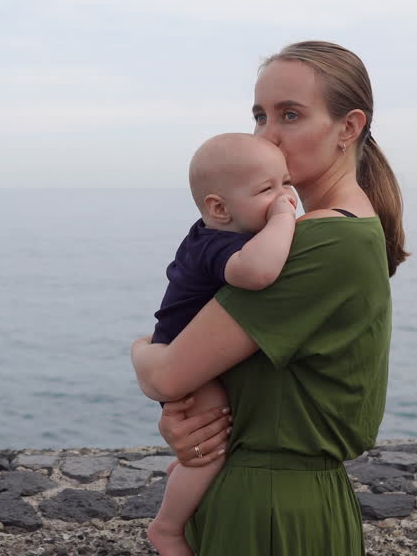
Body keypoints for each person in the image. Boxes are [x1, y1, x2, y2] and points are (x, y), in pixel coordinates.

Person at [131, 41, 408, 555]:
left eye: (291, 115)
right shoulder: (301, 234)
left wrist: (138, 351)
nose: (268, 136)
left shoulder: (325, 242)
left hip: (270, 508)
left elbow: (167, 374)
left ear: (348, 128)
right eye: (260, 116)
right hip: (256, 495)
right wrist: (189, 419)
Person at [145, 133, 299, 556]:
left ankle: (186, 480)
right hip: (185, 362)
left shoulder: (209, 234)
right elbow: (258, 273)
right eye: (267, 190)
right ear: (219, 208)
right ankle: (167, 528)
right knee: (209, 450)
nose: (285, 196)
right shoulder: (218, 244)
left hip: (178, 349)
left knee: (207, 448)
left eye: (286, 183)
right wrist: (285, 220)